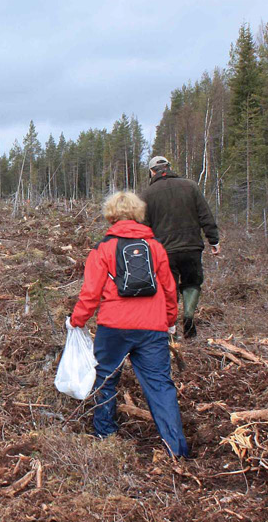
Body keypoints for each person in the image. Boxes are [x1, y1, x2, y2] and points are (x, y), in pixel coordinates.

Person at [69, 191, 189, 458]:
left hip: (114, 327)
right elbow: (170, 289)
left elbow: (90, 293)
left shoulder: (103, 249)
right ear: (138, 213)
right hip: (152, 328)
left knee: (106, 380)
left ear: (111, 215)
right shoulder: (156, 248)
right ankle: (177, 449)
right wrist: (169, 321)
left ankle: (104, 436)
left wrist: (76, 320)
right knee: (160, 385)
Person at [139, 156, 220, 339]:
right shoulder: (190, 186)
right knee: (192, 283)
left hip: (164, 252)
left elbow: (143, 227)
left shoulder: (146, 194)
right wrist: (213, 240)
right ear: (169, 167)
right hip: (192, 247)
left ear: (152, 171)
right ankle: (189, 316)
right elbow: (205, 215)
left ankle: (171, 330)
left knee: (169, 290)